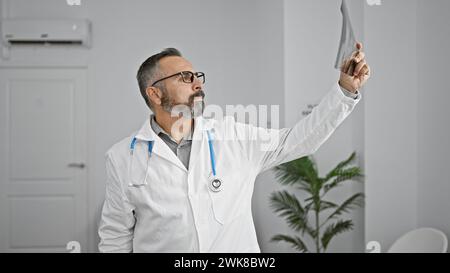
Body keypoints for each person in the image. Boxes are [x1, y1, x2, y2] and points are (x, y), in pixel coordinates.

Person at [98, 43, 371, 252]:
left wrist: (344, 91)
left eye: (197, 75)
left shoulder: (232, 136)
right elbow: (115, 238)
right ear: (155, 93)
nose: (198, 83)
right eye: (184, 77)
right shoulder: (123, 157)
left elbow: (299, 140)